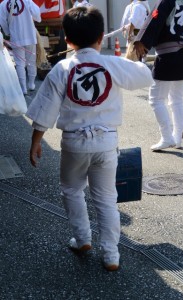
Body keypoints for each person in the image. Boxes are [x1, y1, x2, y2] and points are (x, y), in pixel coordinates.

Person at [26, 6, 153, 271]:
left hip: (73, 143)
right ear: (102, 37)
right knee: (106, 199)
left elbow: (45, 109)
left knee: (72, 190)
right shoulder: (111, 63)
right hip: (106, 143)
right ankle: (110, 255)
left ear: (68, 40)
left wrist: (36, 141)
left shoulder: (61, 69)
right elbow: (144, 76)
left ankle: (83, 239)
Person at [134, 0, 183, 151]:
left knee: (155, 99)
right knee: (177, 99)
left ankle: (167, 137)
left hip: (168, 56)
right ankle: (177, 138)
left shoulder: (165, 1)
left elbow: (154, 20)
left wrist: (141, 41)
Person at [0, 0, 41, 95]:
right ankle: (31, 84)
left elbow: (2, 21)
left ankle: (23, 88)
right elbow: (36, 12)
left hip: (16, 37)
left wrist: (7, 32)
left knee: (19, 63)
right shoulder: (27, 1)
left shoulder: (3, 4)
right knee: (31, 61)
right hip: (30, 35)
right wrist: (37, 18)